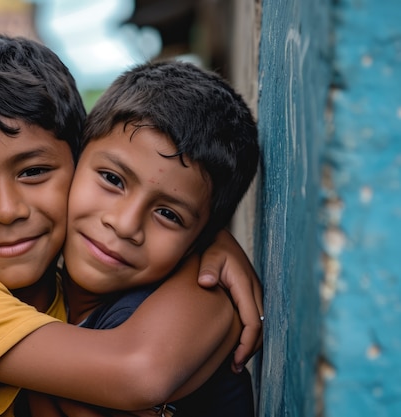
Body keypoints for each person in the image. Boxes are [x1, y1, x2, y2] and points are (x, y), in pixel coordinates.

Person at [0, 32, 263, 417]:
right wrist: (209, 255)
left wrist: (207, 248)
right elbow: (137, 372)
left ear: (77, 165)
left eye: (34, 172)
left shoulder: (78, 304)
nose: (6, 210)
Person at [26, 60, 259, 417]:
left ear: (199, 239)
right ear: (74, 159)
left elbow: (137, 374)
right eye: (112, 179)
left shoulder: (173, 309)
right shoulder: (41, 290)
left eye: (168, 214)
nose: (124, 225)